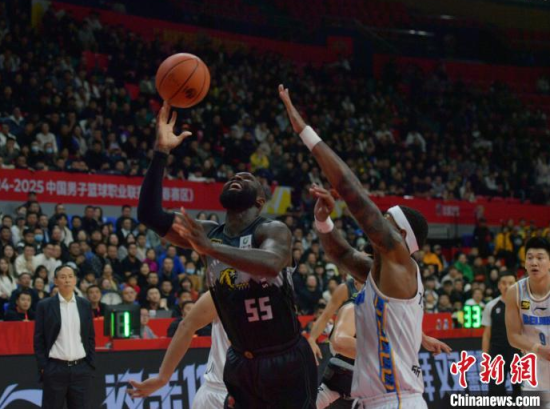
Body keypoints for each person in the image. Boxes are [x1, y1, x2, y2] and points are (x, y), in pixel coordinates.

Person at [132, 102, 317, 408]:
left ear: (259, 202)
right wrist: (161, 152)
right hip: (240, 363)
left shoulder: (271, 229)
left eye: (246, 178)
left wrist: (210, 248)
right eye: (233, 176)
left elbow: (272, 265)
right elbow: (148, 214)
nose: (236, 177)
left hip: (284, 358)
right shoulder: (209, 232)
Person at [280, 84, 429, 409]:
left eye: (386, 220)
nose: (378, 223)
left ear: (401, 236)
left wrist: (304, 132)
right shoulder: (383, 272)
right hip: (376, 399)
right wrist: (323, 222)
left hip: (396, 401)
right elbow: (342, 254)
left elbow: (351, 190)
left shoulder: (401, 264)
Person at [129, 292, 230, 409]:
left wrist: (162, 378)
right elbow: (186, 326)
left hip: (221, 392)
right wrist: (162, 378)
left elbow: (186, 326)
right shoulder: (226, 288)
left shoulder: (226, 287)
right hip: (222, 392)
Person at [33, 265, 95, 409]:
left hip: (81, 369)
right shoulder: (45, 306)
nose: (67, 280)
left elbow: (90, 336)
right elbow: (39, 339)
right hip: (55, 369)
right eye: (63, 277)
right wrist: (44, 367)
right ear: (55, 281)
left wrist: (89, 363)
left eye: (70, 277)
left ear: (75, 280)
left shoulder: (85, 305)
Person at [505, 237, 550, 406]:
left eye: (540, 258)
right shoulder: (515, 292)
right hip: (533, 373)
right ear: (524, 263)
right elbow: (513, 336)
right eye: (530, 258)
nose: (534, 262)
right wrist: (539, 349)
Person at [481, 272, 521, 398]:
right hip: (497, 353)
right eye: (504, 283)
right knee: (495, 392)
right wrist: (485, 359)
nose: (507, 286)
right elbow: (487, 335)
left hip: (518, 353)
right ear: (499, 285)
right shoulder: (491, 306)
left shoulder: (524, 305)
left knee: (521, 391)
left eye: (511, 283)